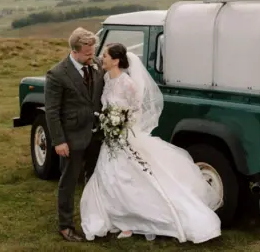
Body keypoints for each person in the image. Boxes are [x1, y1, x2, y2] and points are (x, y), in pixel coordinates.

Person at [80, 43, 222, 243]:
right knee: (109, 177)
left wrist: (121, 125)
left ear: (116, 60)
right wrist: (108, 122)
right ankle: (118, 217)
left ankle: (141, 218)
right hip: (110, 140)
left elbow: (137, 110)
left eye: (105, 55)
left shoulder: (127, 83)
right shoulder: (106, 79)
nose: (101, 58)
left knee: (131, 177)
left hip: (125, 136)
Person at [44, 27, 105, 242]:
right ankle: (66, 226)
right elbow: (51, 111)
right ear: (75, 51)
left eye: (93, 51)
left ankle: (96, 220)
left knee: (96, 179)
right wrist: (59, 141)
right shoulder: (57, 74)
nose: (93, 56)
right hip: (72, 138)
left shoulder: (97, 65)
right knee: (69, 182)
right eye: (88, 53)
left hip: (97, 136)